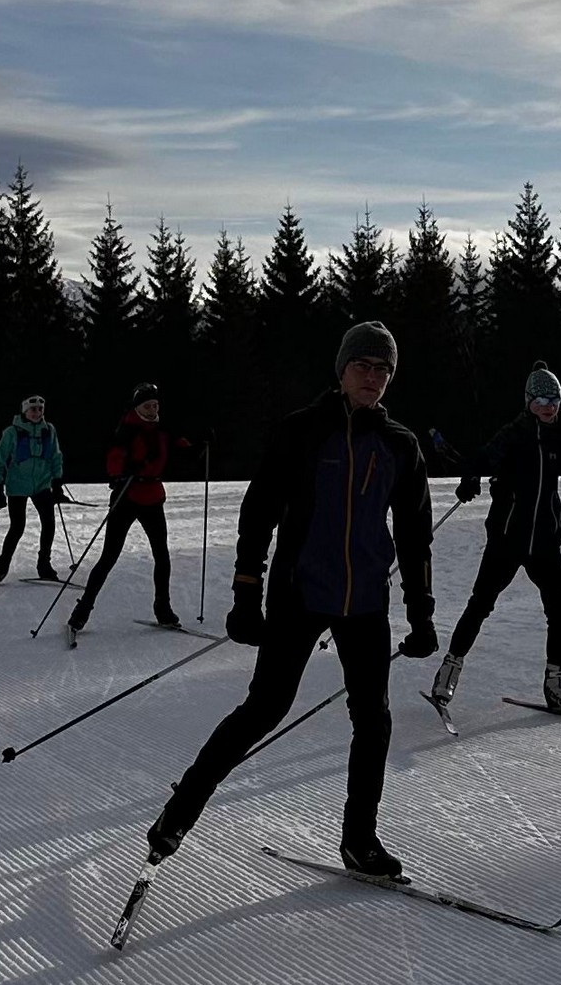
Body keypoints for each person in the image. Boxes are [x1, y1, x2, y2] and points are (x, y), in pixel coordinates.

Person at [146, 322, 436, 881]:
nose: (372, 378)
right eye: (362, 366)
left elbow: (415, 535)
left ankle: (360, 841)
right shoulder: (302, 431)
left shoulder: (400, 444)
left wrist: (421, 612)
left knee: (373, 720)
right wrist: (245, 594)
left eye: (383, 370)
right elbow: (258, 514)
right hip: (300, 594)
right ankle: (177, 814)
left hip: (365, 603)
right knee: (264, 710)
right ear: (342, 371)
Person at [430, 361, 561, 715]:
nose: (548, 406)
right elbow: (482, 458)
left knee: (560, 612)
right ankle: (449, 670)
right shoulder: (515, 433)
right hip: (507, 539)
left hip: (544, 542)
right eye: (541, 400)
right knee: (480, 604)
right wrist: (470, 479)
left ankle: (555, 684)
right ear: (528, 401)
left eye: (554, 400)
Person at [68, 383, 198, 633]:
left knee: (162, 555)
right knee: (109, 557)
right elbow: (114, 459)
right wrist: (121, 472)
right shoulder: (126, 430)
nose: (152, 410)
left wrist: (199, 446)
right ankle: (82, 610)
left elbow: (181, 449)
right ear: (138, 407)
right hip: (127, 496)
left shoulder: (162, 429)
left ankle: (163, 609)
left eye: (155, 405)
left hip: (153, 496)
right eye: (148, 406)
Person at [0, 395, 66, 589]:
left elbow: (56, 456)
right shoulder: (11, 432)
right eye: (33, 409)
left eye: (40, 409)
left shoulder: (49, 430)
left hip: (42, 484)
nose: (37, 413)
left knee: (49, 523)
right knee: (17, 527)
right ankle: (2, 567)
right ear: (25, 411)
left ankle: (44, 565)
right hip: (17, 486)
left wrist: (57, 482)